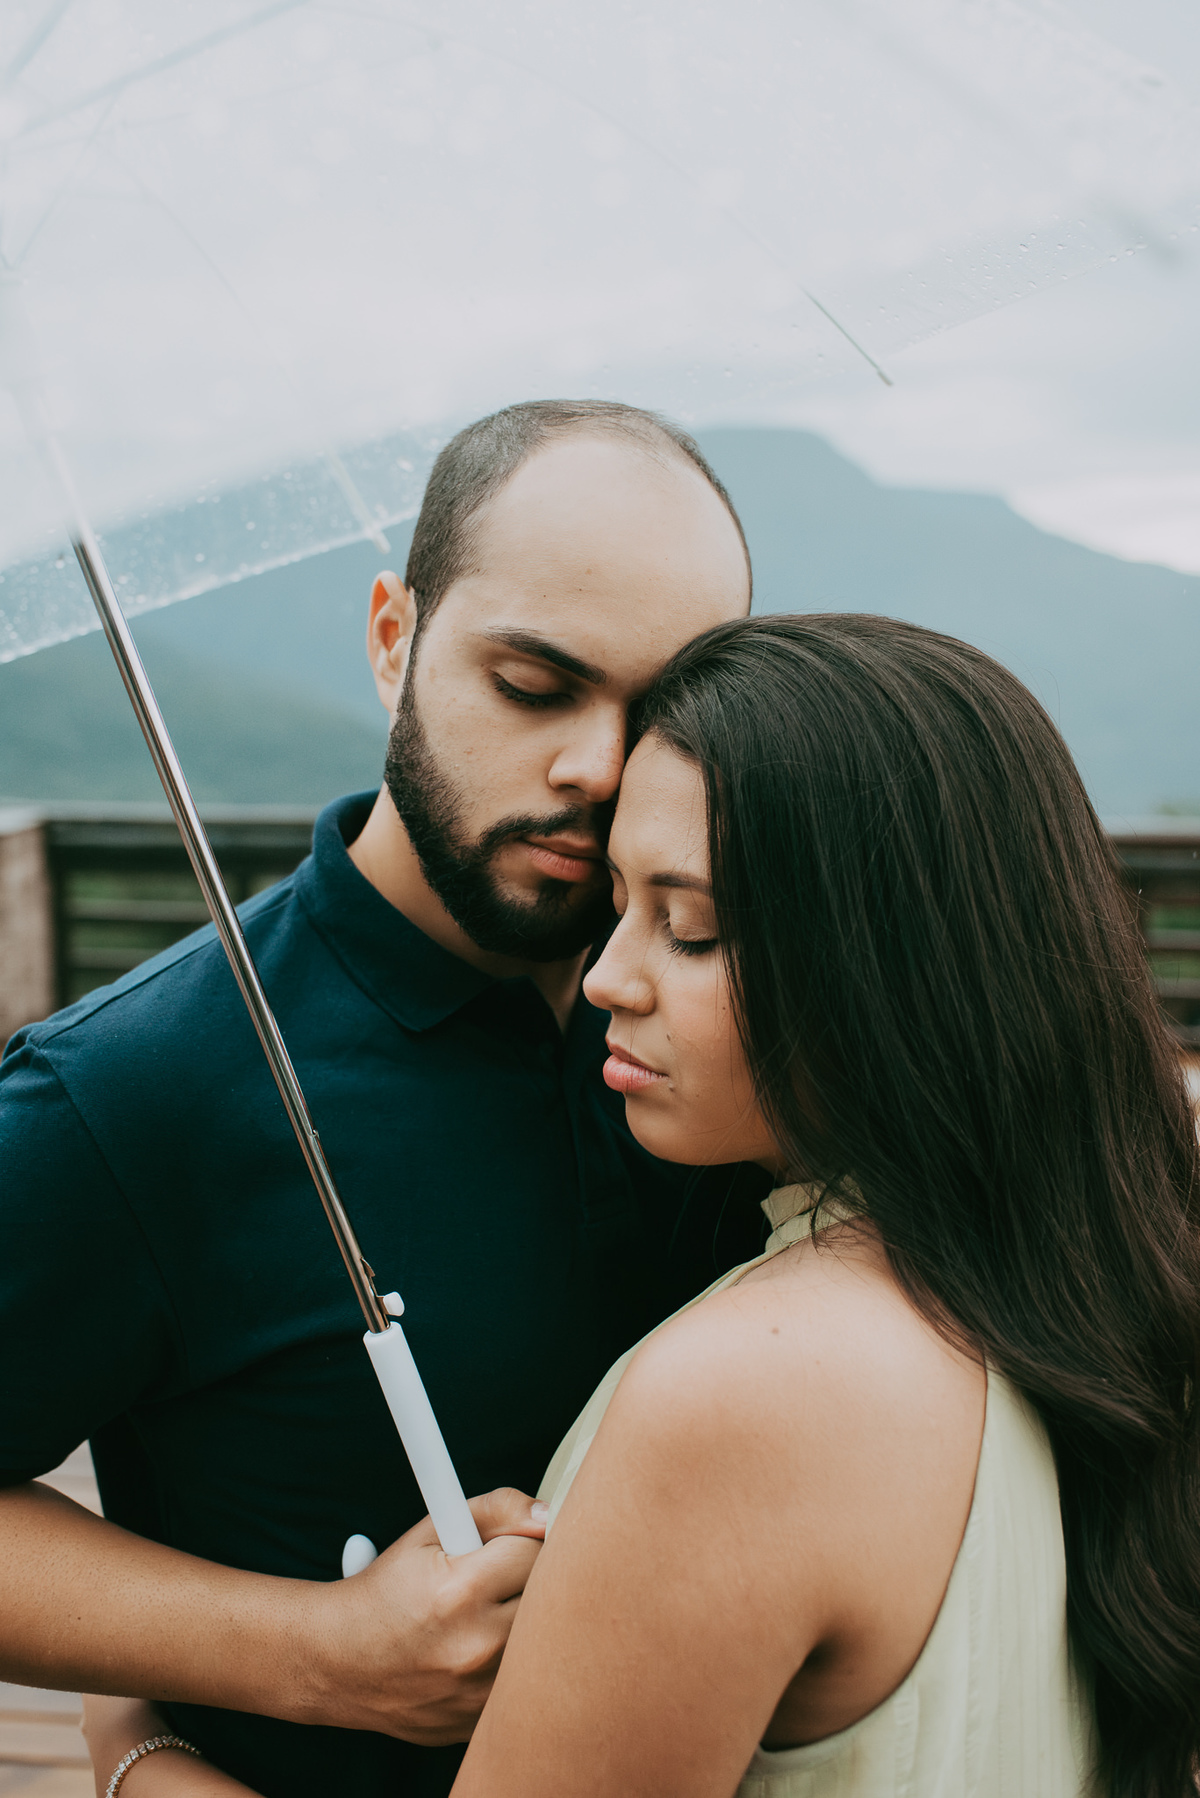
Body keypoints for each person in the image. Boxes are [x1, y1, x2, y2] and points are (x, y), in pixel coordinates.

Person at [89, 614, 1200, 1798]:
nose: (611, 976)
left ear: (898, 961)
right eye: (615, 905)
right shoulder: (1106, 1264)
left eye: (691, 927)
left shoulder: (745, 1399)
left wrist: (137, 1756)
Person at [0, 400, 764, 1798]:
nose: (598, 766)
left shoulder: (756, 1025)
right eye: (532, 683)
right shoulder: (138, 1084)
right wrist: (312, 1653)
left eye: (662, 712)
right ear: (393, 637)